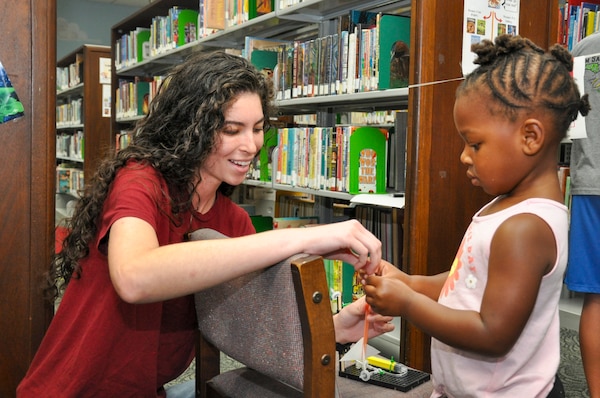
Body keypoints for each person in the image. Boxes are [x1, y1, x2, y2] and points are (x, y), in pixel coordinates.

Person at [17, 51, 392, 397]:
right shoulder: (140, 181)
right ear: (189, 128)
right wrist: (303, 239)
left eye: (258, 128)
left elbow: (246, 328)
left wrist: (335, 327)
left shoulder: (233, 220)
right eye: (232, 130)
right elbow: (135, 277)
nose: (251, 145)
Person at [363, 34, 590, 398]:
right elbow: (466, 284)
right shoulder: (507, 207)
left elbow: (492, 333)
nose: (464, 157)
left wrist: (408, 304)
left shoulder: (525, 229)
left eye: (475, 143)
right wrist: (409, 282)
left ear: (530, 137)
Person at [565, 32, 600, 398]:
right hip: (592, 184)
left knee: (597, 300)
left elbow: (570, 121)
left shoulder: (585, 48)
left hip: (592, 182)